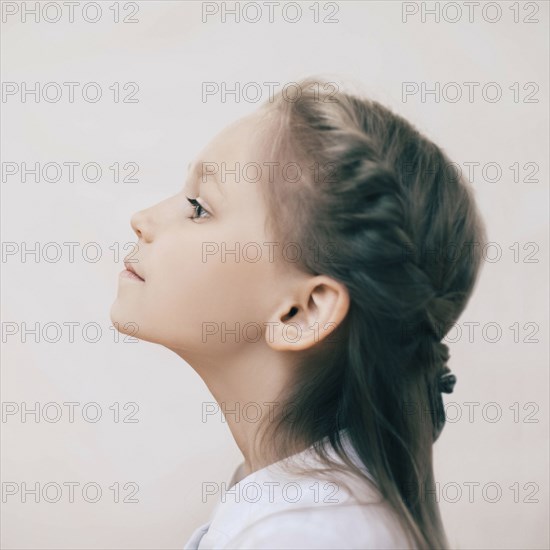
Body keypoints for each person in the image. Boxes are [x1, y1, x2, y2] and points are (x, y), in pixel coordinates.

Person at [111, 78, 488, 549]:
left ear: (302, 311)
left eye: (199, 208)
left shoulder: (308, 534)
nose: (142, 218)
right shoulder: (292, 510)